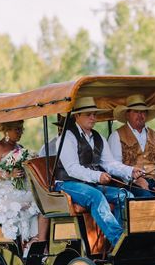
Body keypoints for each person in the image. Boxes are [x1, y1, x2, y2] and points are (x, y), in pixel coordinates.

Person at [53, 97, 145, 247]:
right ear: (77, 116)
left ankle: (122, 238)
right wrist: (97, 176)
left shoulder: (98, 138)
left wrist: (130, 171)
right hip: (67, 183)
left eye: (94, 114)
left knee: (125, 195)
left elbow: (109, 164)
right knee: (96, 197)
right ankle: (119, 243)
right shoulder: (66, 137)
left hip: (89, 183)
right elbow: (72, 168)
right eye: (88, 114)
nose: (93, 118)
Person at [0, 120, 49, 256]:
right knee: (35, 204)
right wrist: (8, 174)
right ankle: (28, 245)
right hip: (8, 191)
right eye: (17, 130)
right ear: (7, 131)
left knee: (44, 202)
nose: (20, 133)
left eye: (21, 129)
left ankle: (39, 243)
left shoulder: (19, 147)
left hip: (22, 188)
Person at [108, 94, 155, 198]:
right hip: (129, 184)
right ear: (127, 114)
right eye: (136, 111)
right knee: (147, 200)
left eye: (143, 112)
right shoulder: (116, 136)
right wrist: (135, 179)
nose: (140, 115)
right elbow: (114, 165)